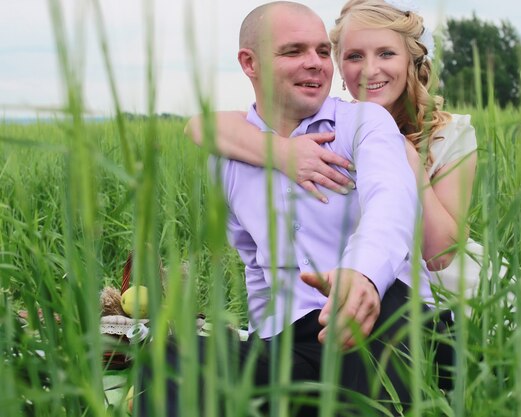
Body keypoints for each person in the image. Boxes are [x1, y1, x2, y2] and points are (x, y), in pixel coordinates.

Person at [140, 2, 450, 416]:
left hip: (384, 316)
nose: (315, 64)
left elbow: (390, 201)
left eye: (323, 52)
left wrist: (363, 277)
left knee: (387, 307)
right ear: (250, 63)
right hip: (293, 343)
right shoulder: (228, 158)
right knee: (171, 354)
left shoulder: (365, 123)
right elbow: (254, 261)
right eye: (294, 51)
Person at [186, 0, 489, 304]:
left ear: (411, 61)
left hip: (446, 290)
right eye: (355, 56)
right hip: (347, 288)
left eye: (386, 53)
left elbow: (440, 255)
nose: (370, 69)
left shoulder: (451, 134)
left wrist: (404, 155)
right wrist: (281, 152)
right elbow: (199, 126)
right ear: (340, 66)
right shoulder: (332, 126)